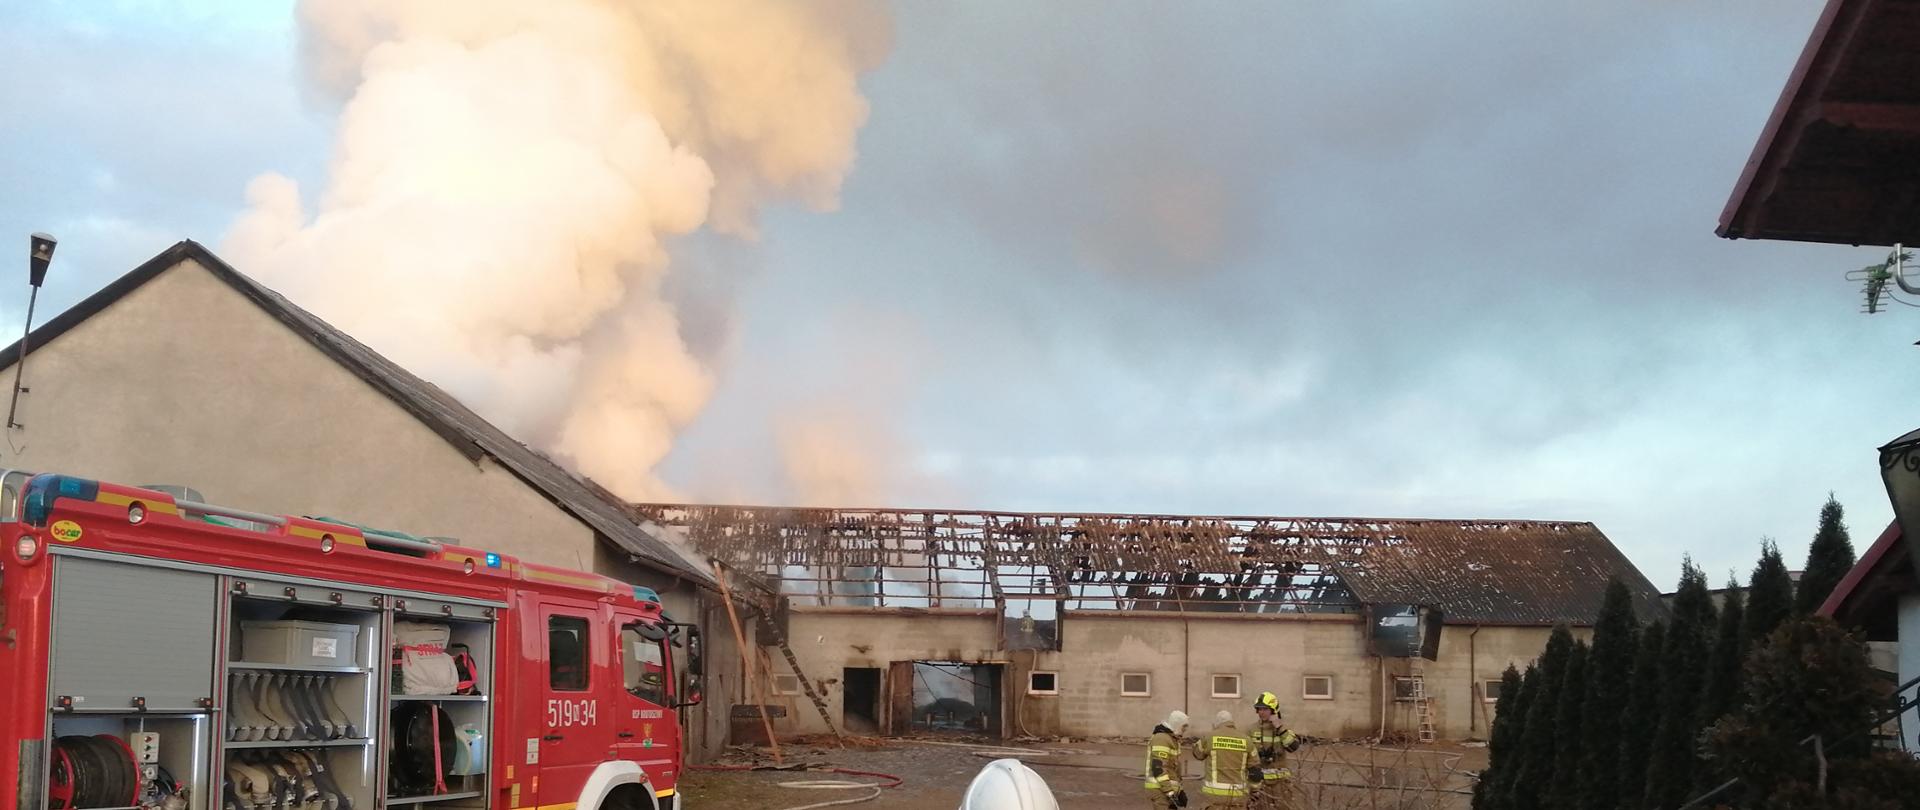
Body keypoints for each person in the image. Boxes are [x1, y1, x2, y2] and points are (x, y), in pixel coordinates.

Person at [1248, 692, 1302, 810]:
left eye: (1265, 709)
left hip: (1280, 784)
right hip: (1260, 783)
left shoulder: (1283, 729)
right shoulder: (1251, 729)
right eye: (1259, 709)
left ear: (1273, 710)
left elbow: (1293, 747)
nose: (1261, 712)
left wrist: (1280, 729)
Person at [1191, 710, 1252, 807]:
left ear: (1217, 723)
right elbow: (1255, 767)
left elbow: (1197, 754)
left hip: (1214, 795)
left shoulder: (1209, 736)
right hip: (1238, 795)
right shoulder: (1246, 740)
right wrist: (1255, 790)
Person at [1143, 710, 1190, 808]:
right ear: (1177, 724)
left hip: (1165, 789)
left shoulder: (1172, 740)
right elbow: (1159, 769)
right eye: (1184, 726)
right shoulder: (1162, 739)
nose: (1185, 729)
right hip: (1160, 789)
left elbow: (1173, 769)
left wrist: (1179, 790)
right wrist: (1170, 793)